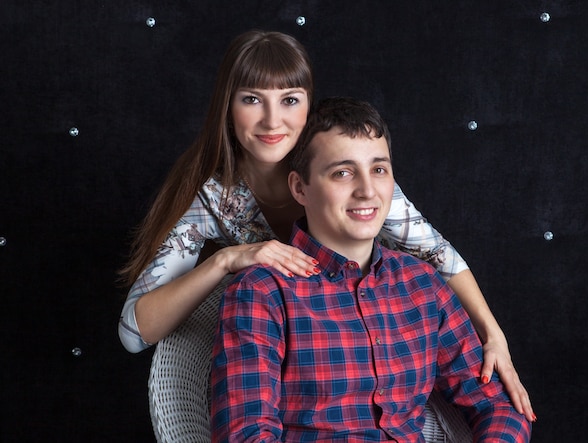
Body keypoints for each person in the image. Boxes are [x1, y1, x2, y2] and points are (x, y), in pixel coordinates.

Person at [117, 29, 534, 421]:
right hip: (284, 353)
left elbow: (439, 254)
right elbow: (134, 333)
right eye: (251, 99)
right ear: (227, 107)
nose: (272, 121)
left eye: (290, 100)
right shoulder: (212, 195)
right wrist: (227, 259)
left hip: (367, 337)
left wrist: (493, 334)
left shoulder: (354, 179)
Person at [210, 97, 532, 442]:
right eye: (343, 173)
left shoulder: (423, 286)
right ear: (299, 188)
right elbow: (245, 436)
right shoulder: (262, 292)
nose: (366, 191)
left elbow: (498, 405)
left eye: (378, 169)